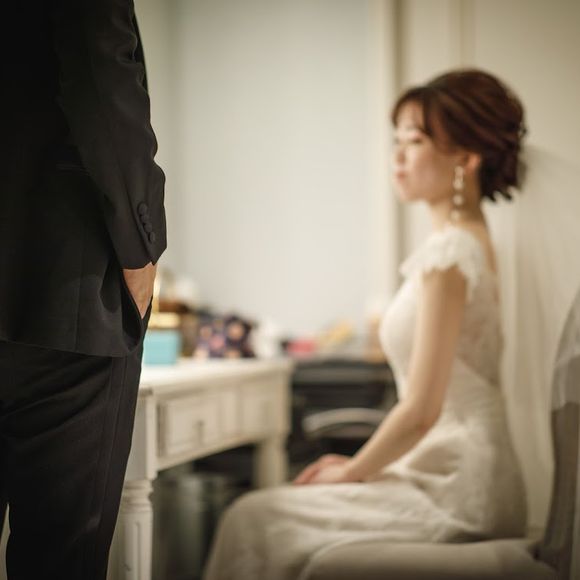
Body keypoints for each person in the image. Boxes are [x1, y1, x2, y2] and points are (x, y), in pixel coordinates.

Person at [202, 69, 528, 580]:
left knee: (253, 517)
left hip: (457, 485)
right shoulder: (471, 245)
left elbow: (421, 412)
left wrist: (352, 470)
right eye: (396, 140)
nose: (397, 156)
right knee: (260, 515)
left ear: (466, 159)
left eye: (414, 141)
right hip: (448, 468)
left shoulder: (451, 256)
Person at [0, 1, 166, 579]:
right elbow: (100, 74)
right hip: (61, 291)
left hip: (56, 297)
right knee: (60, 558)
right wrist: (141, 249)